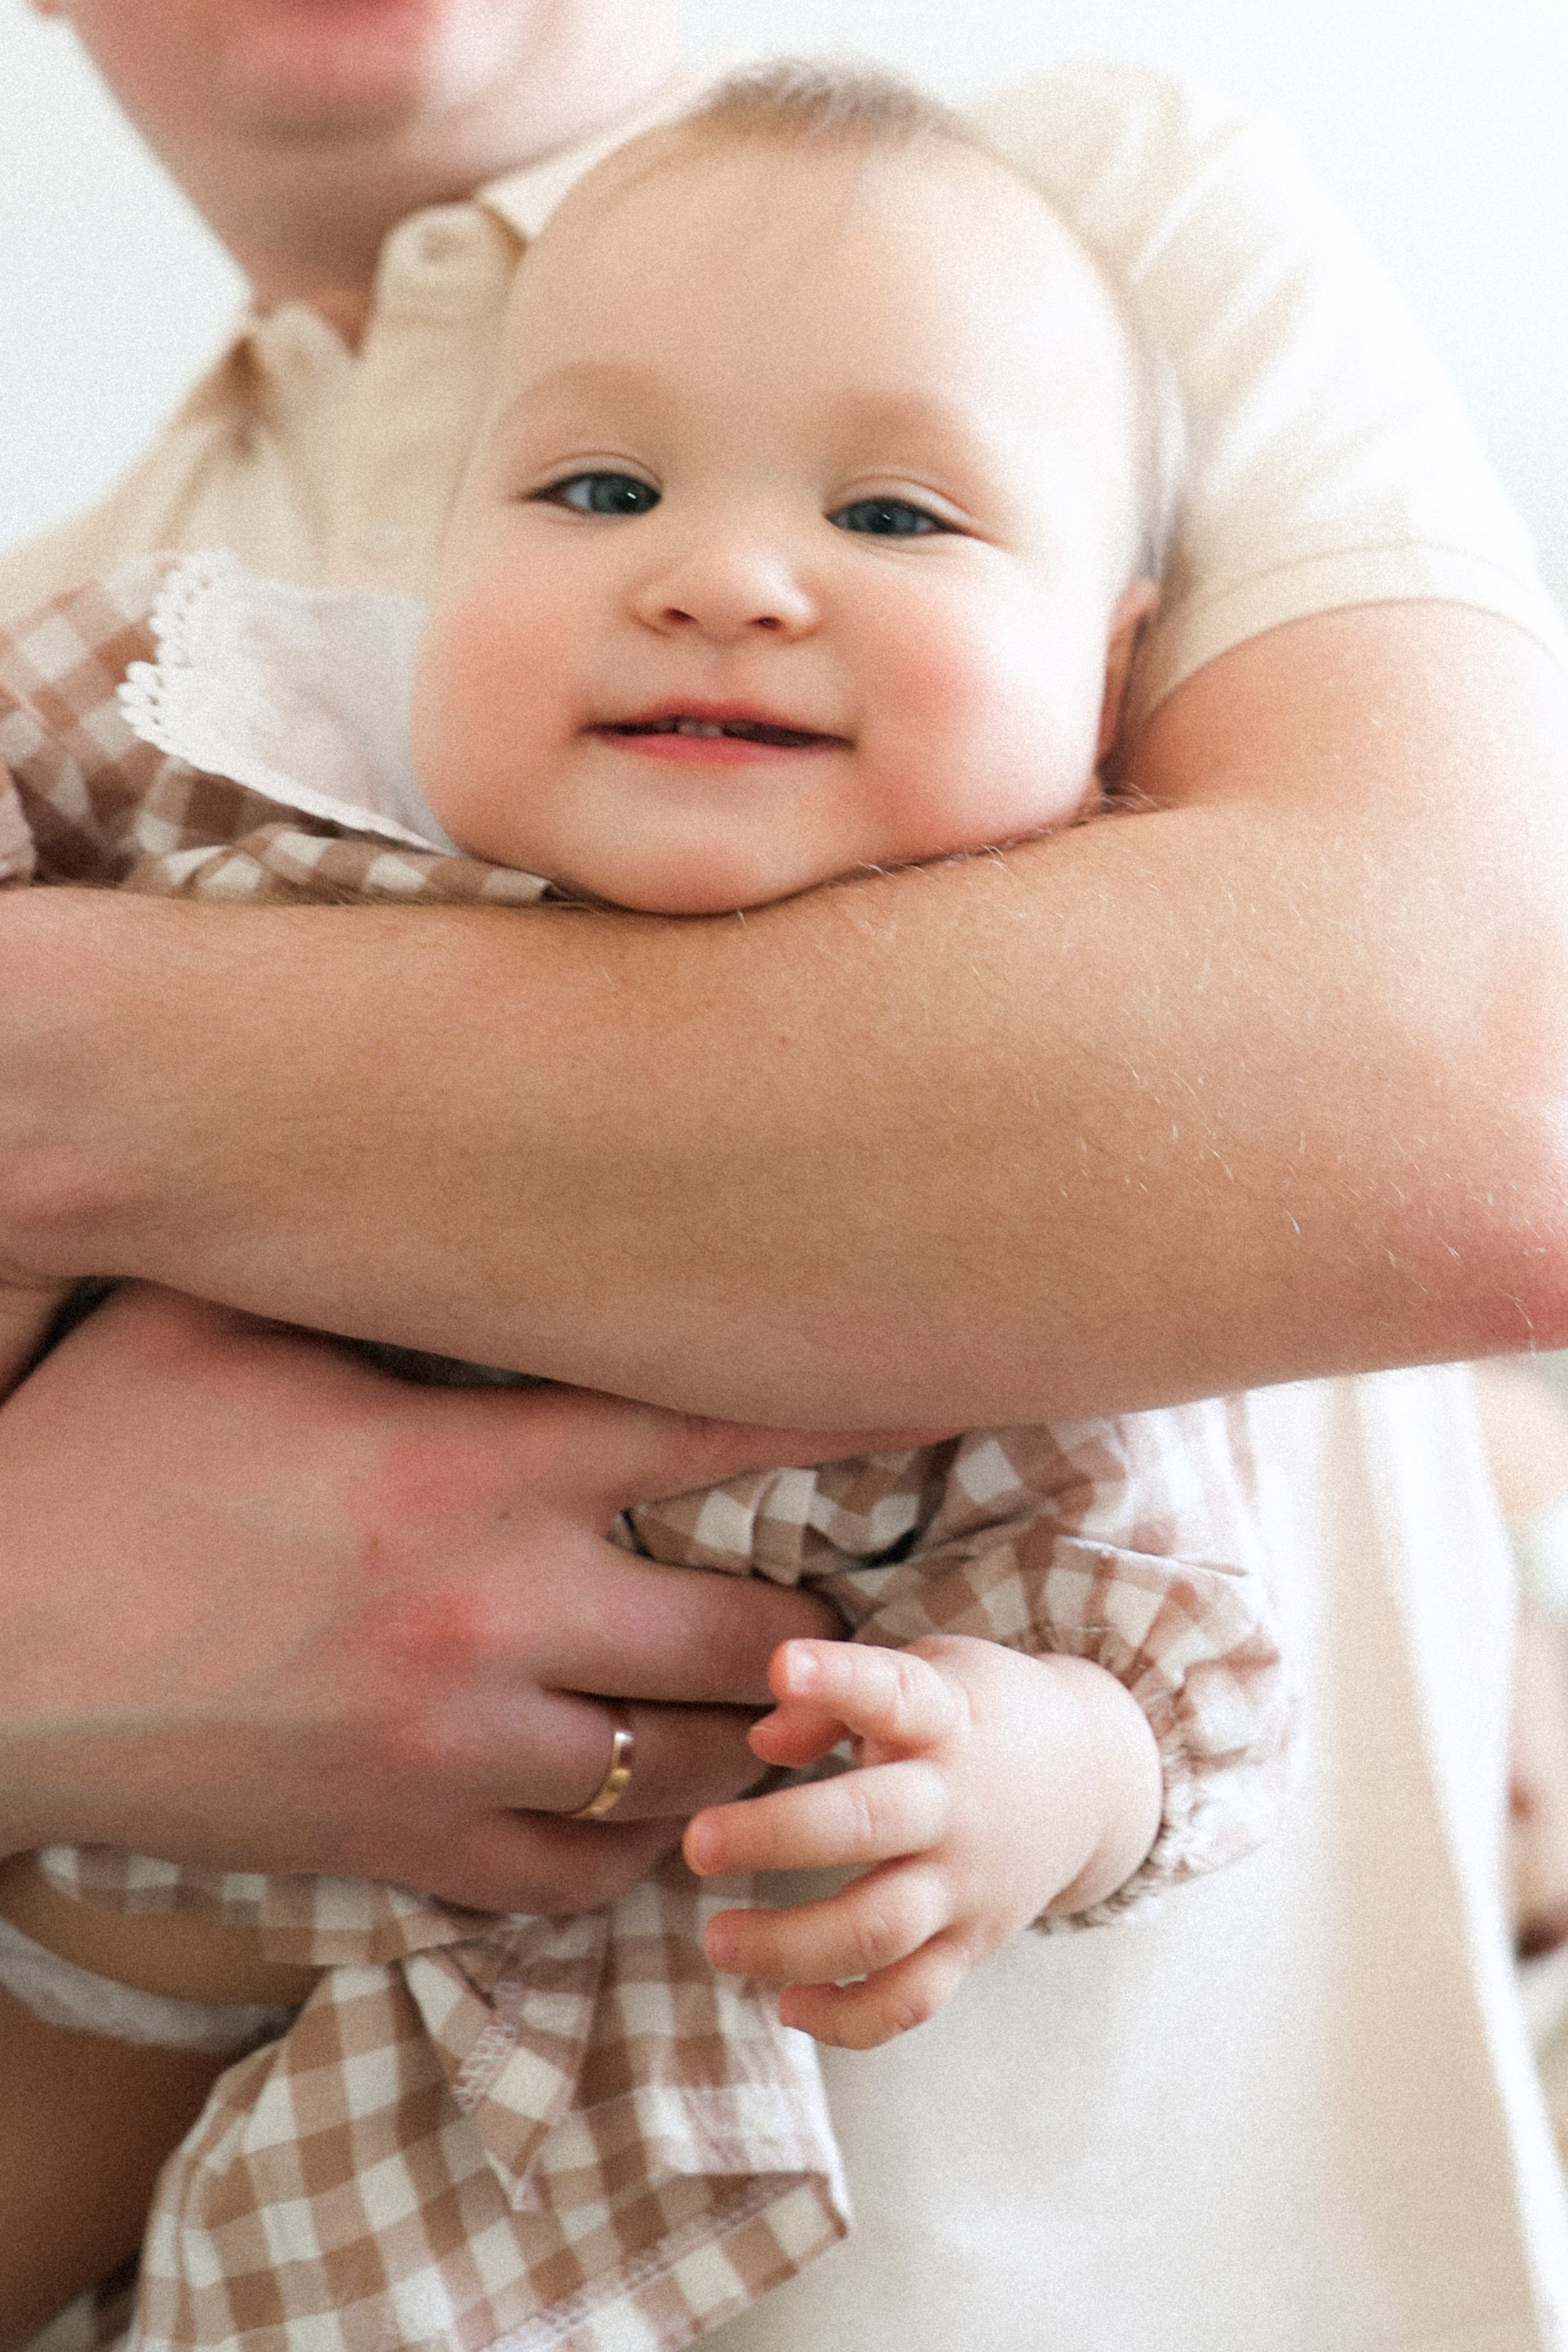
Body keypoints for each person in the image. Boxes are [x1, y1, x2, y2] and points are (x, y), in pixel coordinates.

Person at [2, 4, 1567, 2348]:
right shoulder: (119, 660)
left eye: (894, 518)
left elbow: (1472, 1091)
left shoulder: (1077, 216)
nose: (724, 578)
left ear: (1113, 663)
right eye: (594, 491)